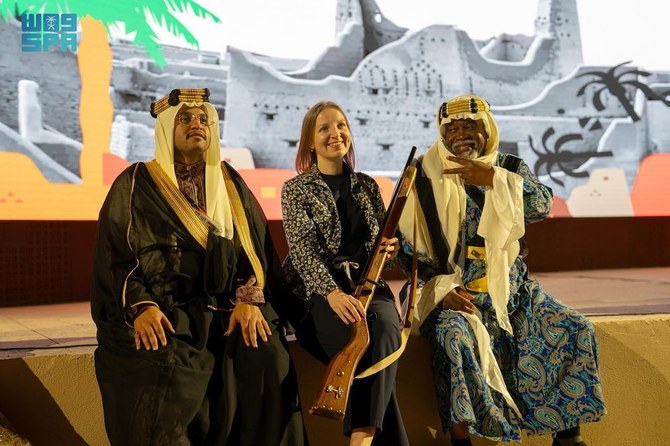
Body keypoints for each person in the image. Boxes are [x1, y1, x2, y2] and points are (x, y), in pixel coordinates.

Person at [90, 88, 307, 446]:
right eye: (186, 119)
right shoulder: (135, 182)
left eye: (204, 119)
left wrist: (248, 299)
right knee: (168, 370)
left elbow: (252, 249)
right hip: (168, 309)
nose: (197, 125)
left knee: (267, 355)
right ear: (166, 129)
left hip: (229, 305)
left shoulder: (229, 182)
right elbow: (117, 255)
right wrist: (141, 307)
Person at [397, 94, 606, 446]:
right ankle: (461, 440)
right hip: (455, 296)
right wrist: (442, 292)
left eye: (470, 126)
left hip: (512, 293)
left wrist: (494, 179)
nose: (460, 134)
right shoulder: (422, 176)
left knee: (574, 327)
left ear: (487, 130)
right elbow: (408, 253)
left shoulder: (508, 167)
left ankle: (567, 438)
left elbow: (542, 206)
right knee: (452, 336)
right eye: (452, 128)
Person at [280, 101, 409, 446]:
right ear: (309, 142)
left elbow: (385, 254)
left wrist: (391, 251)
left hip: (369, 289)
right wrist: (333, 294)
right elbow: (303, 252)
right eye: (323, 128)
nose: (335, 133)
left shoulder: (367, 185)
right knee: (367, 356)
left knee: (385, 330)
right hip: (318, 295)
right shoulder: (296, 189)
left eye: (341, 125)